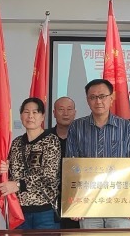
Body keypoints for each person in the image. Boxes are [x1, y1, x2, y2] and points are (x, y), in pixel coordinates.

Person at [66, 79, 130, 229]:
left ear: (111, 98)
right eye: (93, 97)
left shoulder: (126, 127)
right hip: (88, 203)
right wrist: (75, 205)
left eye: (102, 96)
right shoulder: (77, 127)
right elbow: (71, 165)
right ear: (87, 100)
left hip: (119, 202)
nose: (98, 101)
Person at [0, 97, 62, 229]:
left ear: (42, 116)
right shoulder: (16, 143)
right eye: (26, 112)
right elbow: (12, 173)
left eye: (35, 112)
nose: (30, 116)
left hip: (44, 211)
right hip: (19, 211)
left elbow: (49, 176)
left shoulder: (51, 141)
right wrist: (3, 170)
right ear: (21, 116)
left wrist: (18, 185)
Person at [50, 96, 79, 229]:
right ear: (54, 113)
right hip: (50, 197)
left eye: (69, 109)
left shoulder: (82, 137)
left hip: (76, 196)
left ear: (75, 112)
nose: (65, 113)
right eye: (61, 109)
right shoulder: (45, 137)